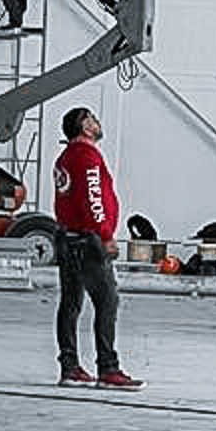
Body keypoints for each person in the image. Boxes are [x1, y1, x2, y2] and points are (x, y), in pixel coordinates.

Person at [52, 105, 142, 388]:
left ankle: (70, 367)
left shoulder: (66, 156)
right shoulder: (87, 155)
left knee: (71, 304)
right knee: (107, 301)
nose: (97, 121)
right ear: (83, 126)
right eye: (91, 118)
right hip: (87, 240)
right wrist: (105, 235)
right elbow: (93, 198)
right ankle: (108, 369)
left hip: (67, 238)